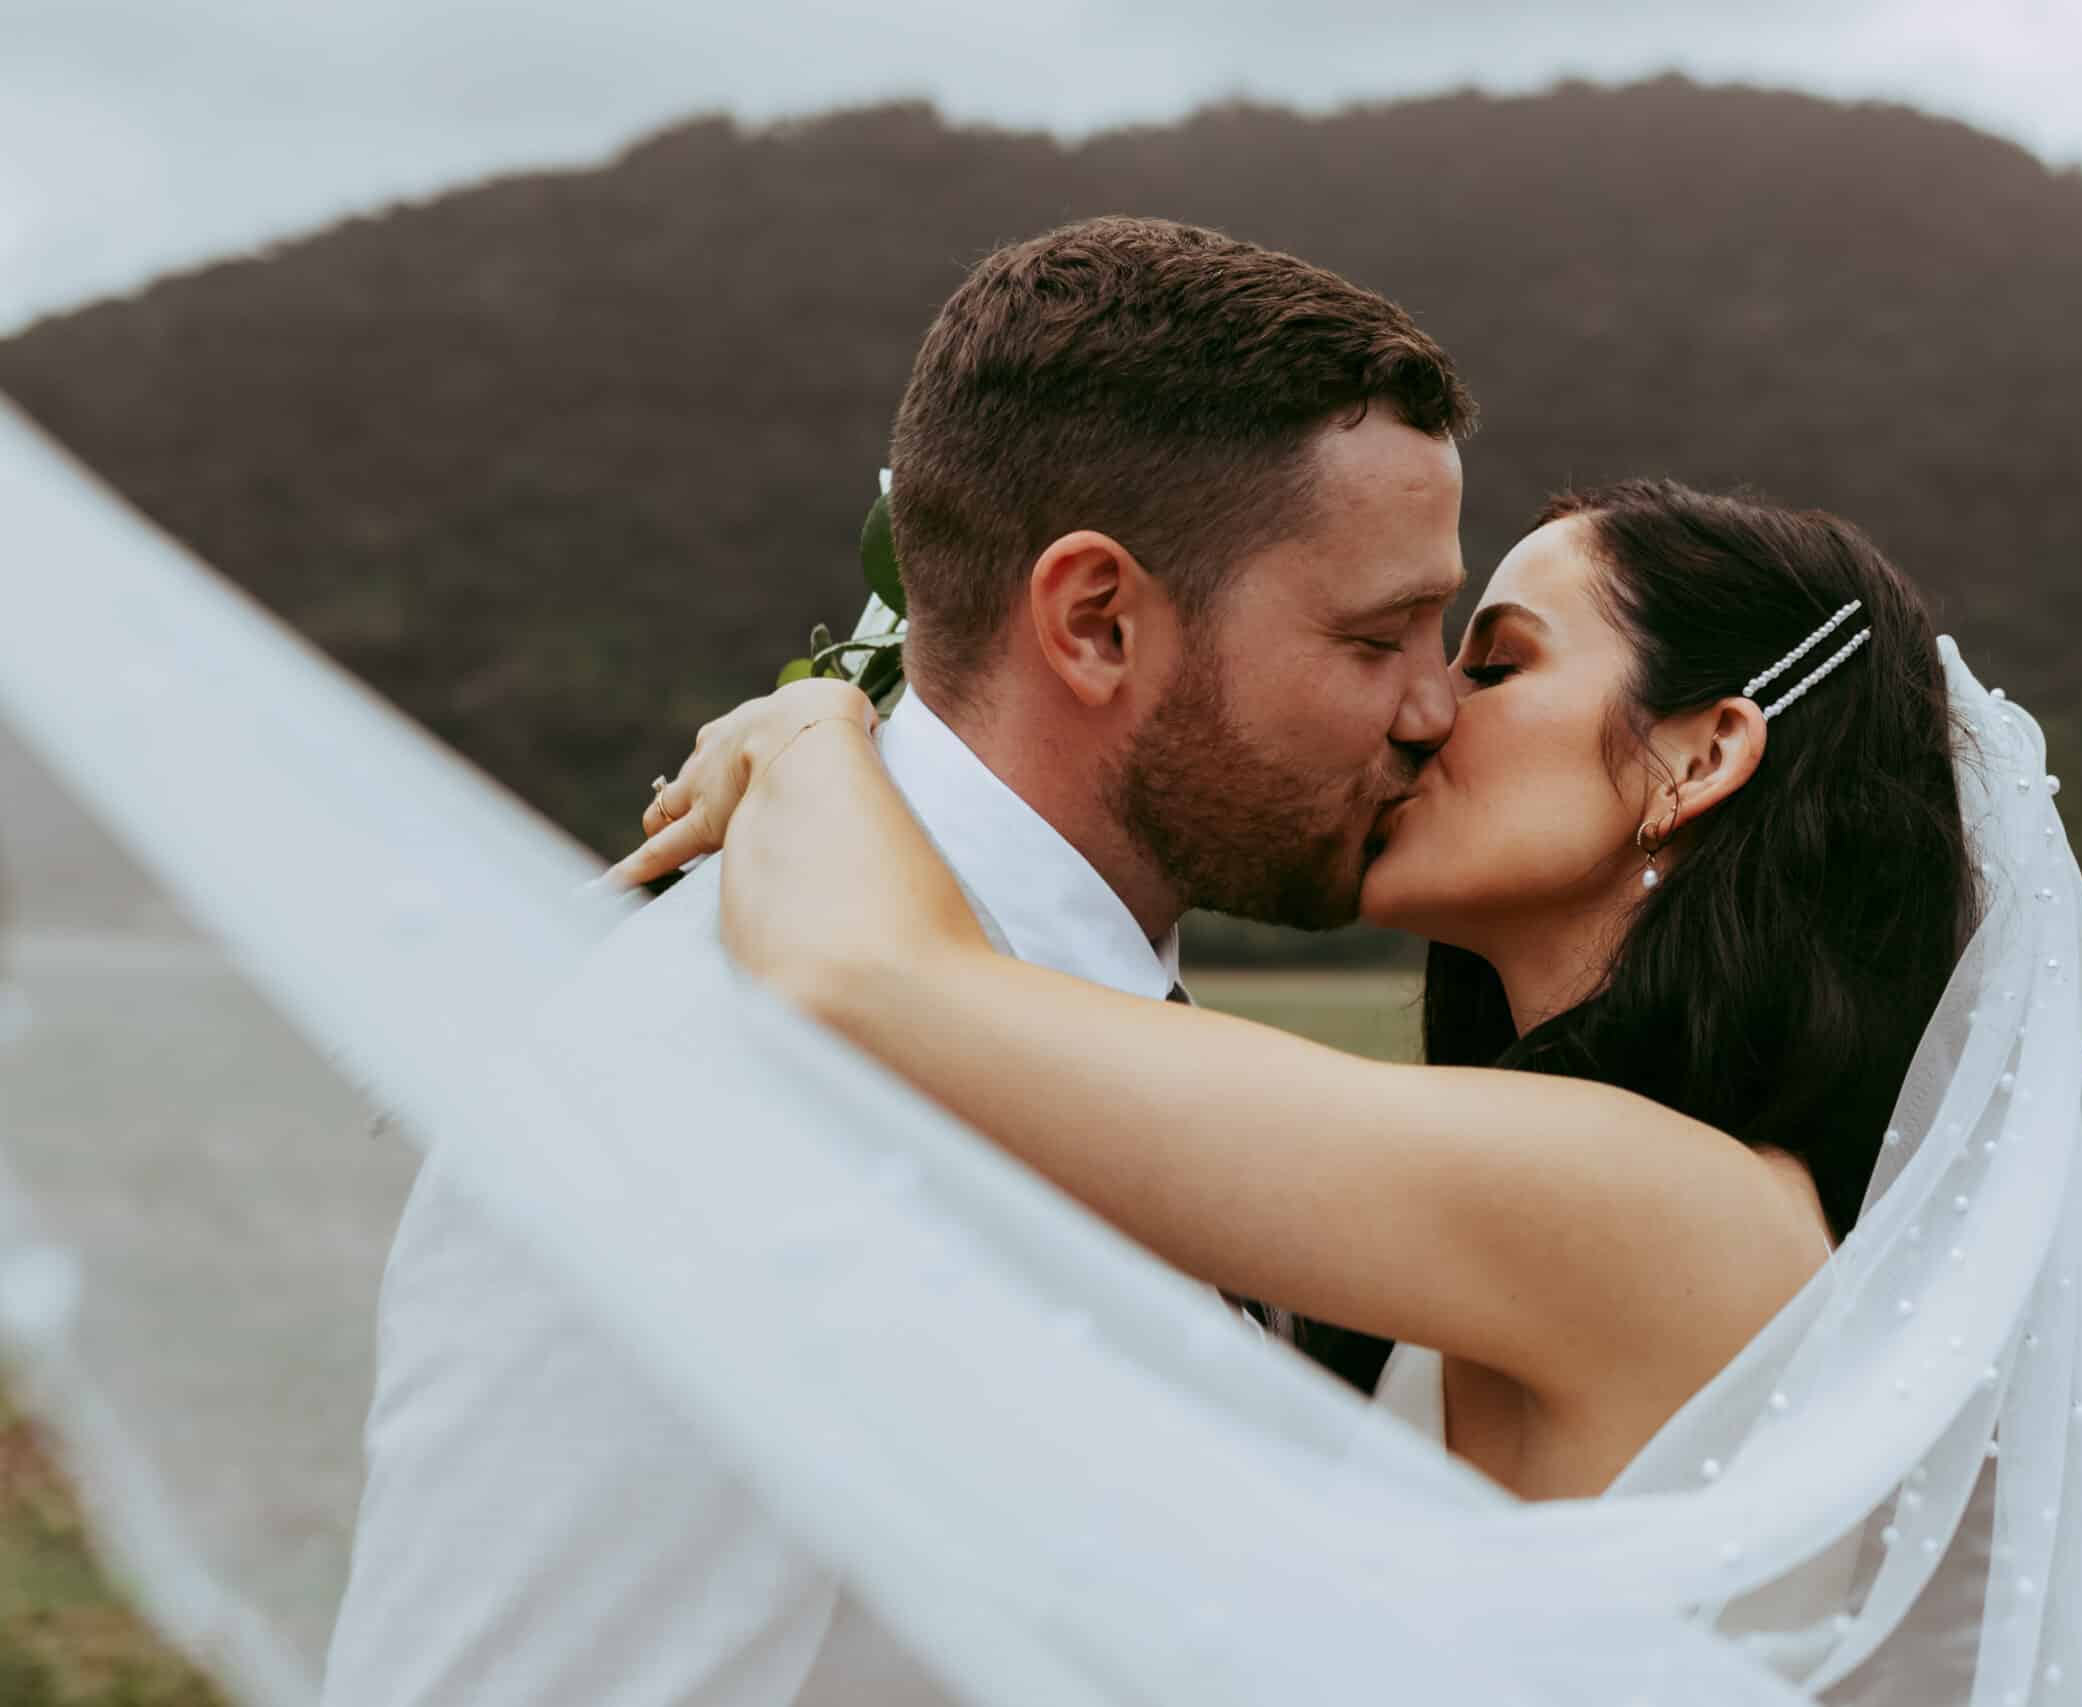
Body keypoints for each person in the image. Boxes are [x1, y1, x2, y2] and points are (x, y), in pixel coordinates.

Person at [623, 480, 2082, 1706]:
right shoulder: (1572, 1187)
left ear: (1701, 752)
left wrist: (813, 729)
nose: (1420, 712)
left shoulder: (1647, 1201)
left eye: (1494, 660)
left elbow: (869, 976)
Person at [321, 215, 1478, 1706]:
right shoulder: (701, 1101)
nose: (1437, 708)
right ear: (1098, 623)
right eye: (1383, 636)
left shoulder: (1114, 1028)